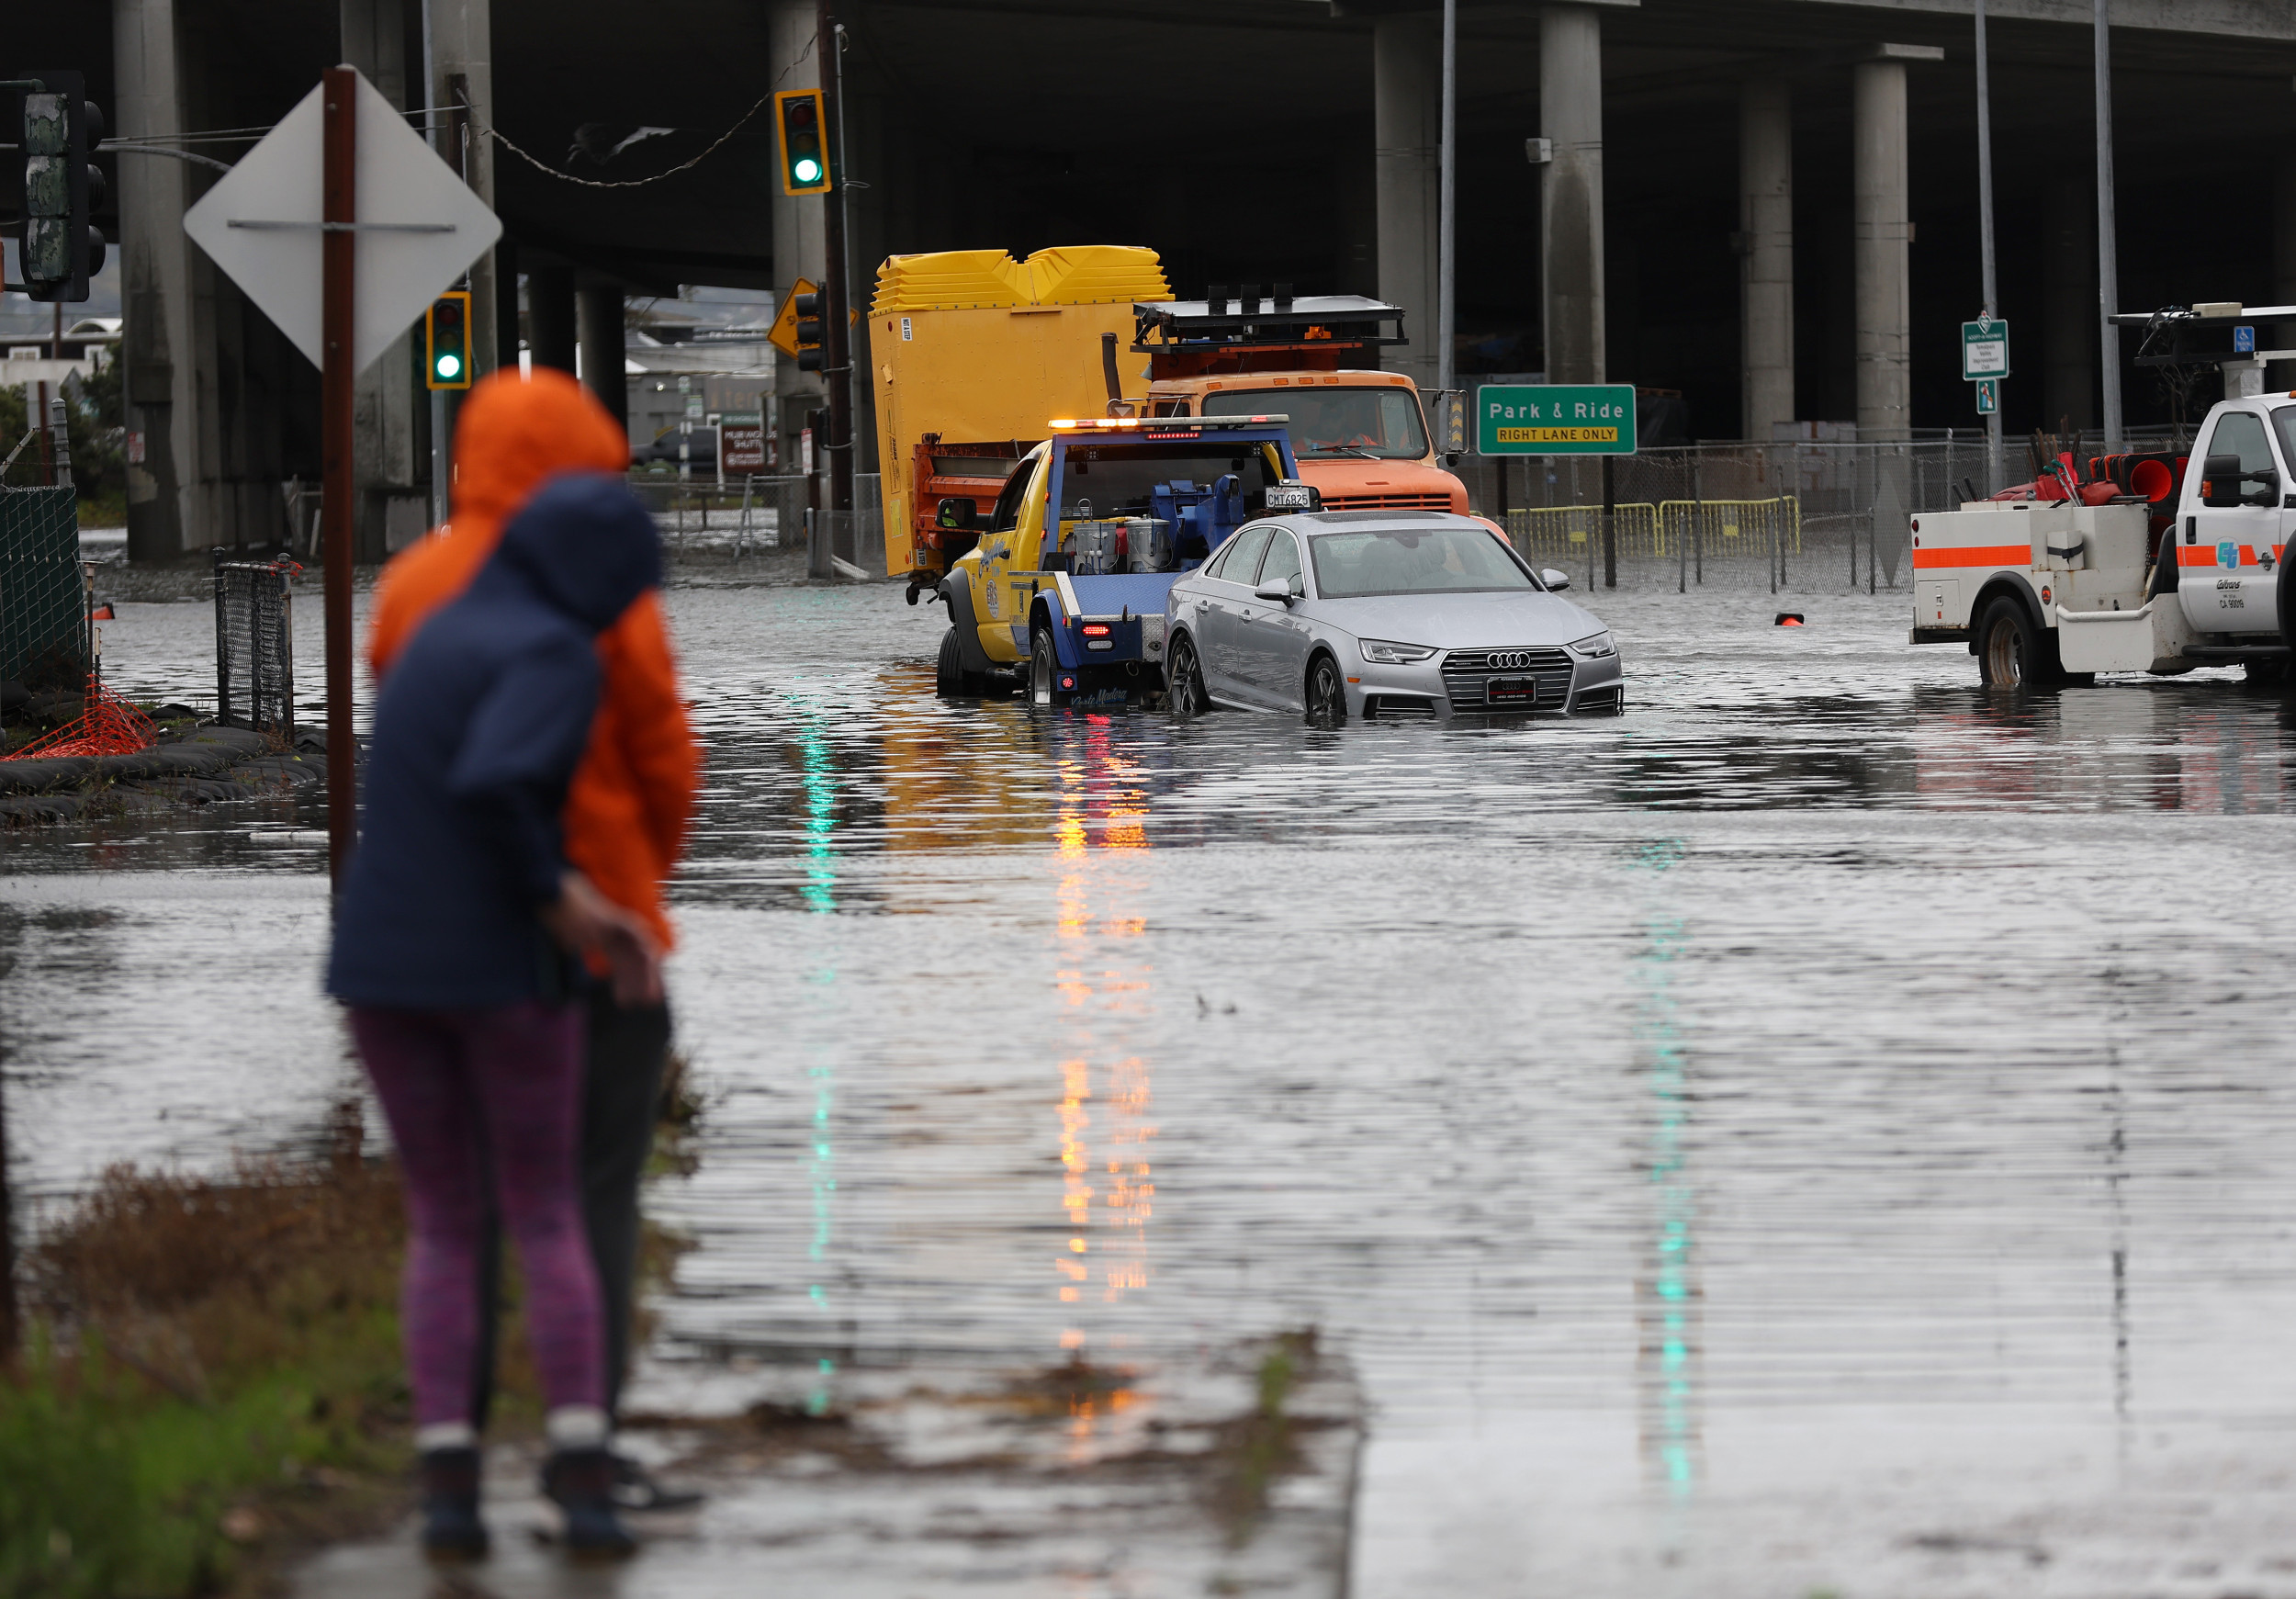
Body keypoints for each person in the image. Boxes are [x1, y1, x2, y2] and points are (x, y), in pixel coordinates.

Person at [369, 370, 701, 1512]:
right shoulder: (600, 595)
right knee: (588, 1193)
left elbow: (409, 754)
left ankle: (452, 1460)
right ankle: (586, 1451)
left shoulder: (413, 586)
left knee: (452, 1213)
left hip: (438, 934)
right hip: (590, 931)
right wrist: (633, 887)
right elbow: (665, 761)